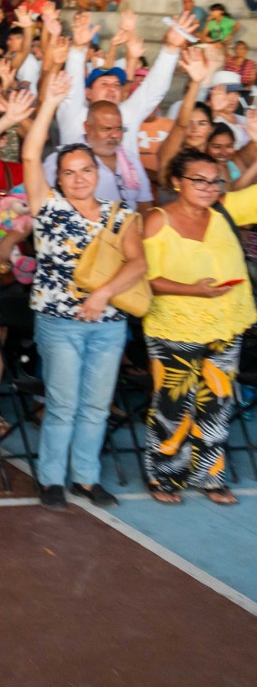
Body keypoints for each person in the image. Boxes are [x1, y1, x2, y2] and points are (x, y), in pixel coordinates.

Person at [22, 73, 146, 511]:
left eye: (85, 171)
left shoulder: (119, 213)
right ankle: (52, 478)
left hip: (108, 324)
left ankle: (86, 478)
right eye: (69, 173)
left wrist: (102, 295)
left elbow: (138, 264)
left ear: (98, 172)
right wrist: (51, 103)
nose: (78, 179)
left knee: (95, 406)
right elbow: (30, 152)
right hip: (58, 323)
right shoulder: (48, 208)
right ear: (59, 177)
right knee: (61, 404)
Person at [138, 148, 253, 506]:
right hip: (174, 327)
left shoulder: (224, 211)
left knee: (217, 404)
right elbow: (146, 278)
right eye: (198, 180)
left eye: (214, 181)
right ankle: (165, 476)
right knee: (173, 406)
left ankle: (210, 476)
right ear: (176, 182)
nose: (207, 187)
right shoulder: (157, 220)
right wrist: (194, 290)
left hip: (225, 325)